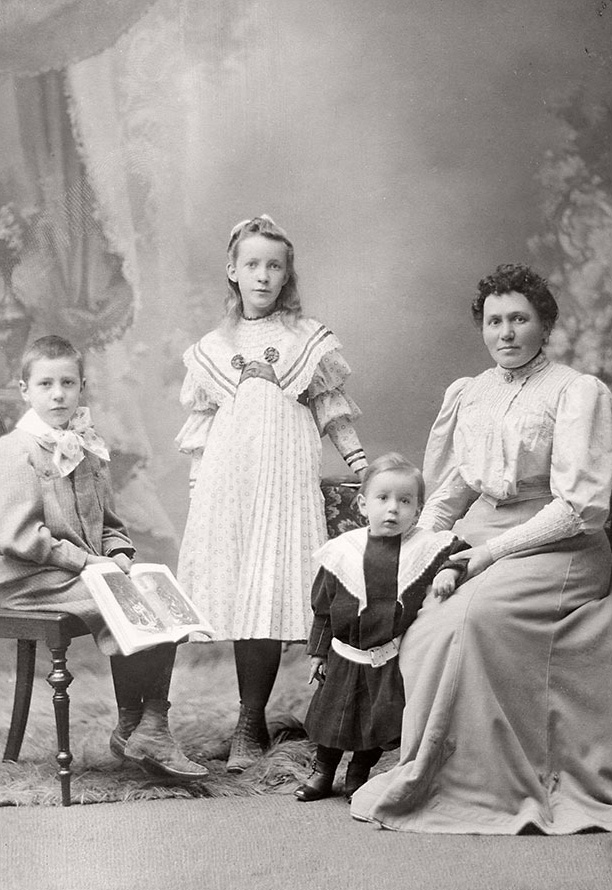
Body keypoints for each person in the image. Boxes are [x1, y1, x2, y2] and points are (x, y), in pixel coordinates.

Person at [351, 263, 612, 834]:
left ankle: (487, 782)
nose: (507, 333)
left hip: (559, 546)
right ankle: (437, 769)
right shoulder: (471, 393)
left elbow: (579, 509)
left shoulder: (576, 391)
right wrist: (419, 548)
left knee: (472, 617)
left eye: (520, 319)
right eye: (495, 322)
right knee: (424, 624)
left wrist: (490, 555)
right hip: (480, 536)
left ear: (545, 324)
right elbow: (453, 492)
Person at [176, 215, 368, 772]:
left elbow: (331, 405)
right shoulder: (213, 348)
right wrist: (199, 491)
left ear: (287, 276)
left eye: (274, 266)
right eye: (253, 265)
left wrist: (359, 464)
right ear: (233, 271)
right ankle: (250, 720)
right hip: (230, 479)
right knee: (243, 589)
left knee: (282, 586)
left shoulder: (305, 339)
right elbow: (202, 429)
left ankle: (337, 717)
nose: (263, 276)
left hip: (286, 475)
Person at [0, 335, 208, 781]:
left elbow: (110, 521)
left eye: (67, 383)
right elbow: (21, 538)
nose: (58, 394)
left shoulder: (88, 446)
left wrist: (118, 552)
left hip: (77, 568)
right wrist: (89, 564)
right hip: (30, 575)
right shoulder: (15, 450)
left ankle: (141, 724)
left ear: (82, 387)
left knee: (157, 594)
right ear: (25, 390)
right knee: (125, 602)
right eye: (45, 384)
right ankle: (146, 728)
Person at [295, 452, 469, 803]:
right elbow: (324, 610)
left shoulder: (423, 548)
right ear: (362, 504)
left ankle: (359, 774)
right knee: (333, 718)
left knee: (376, 723)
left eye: (405, 501)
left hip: (387, 656)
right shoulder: (343, 551)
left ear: (418, 511)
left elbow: (459, 552)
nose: (393, 509)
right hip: (344, 654)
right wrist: (317, 652)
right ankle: (322, 771)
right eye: (383, 498)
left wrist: (450, 570)